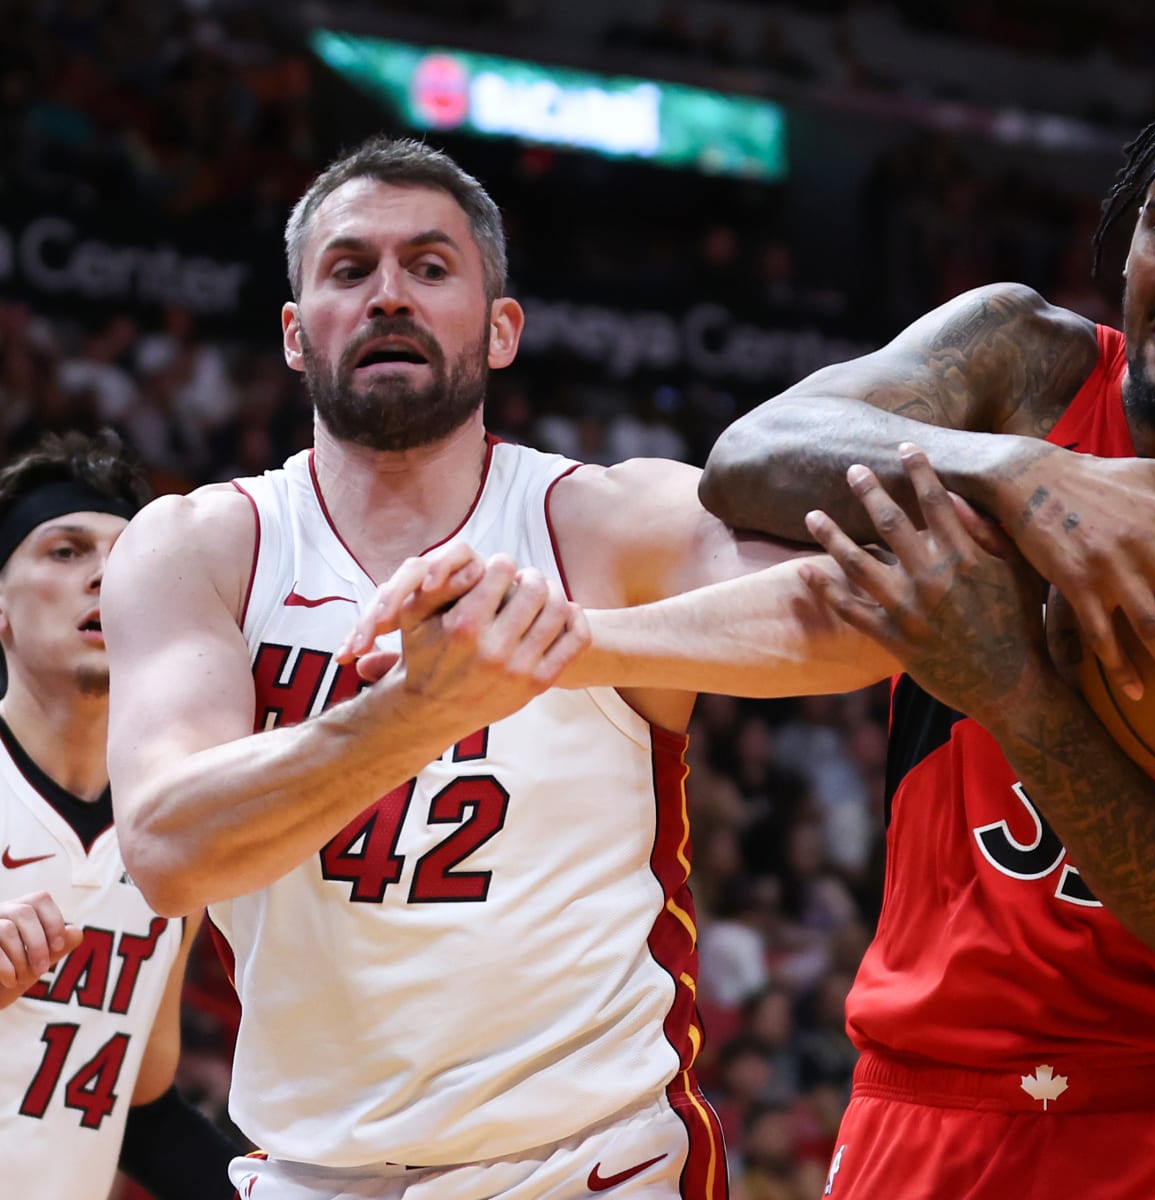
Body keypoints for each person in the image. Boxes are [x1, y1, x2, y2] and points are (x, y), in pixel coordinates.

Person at [698, 86, 1155, 1197]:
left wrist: (1016, 692)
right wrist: (1022, 472)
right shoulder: (1023, 368)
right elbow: (749, 453)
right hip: (928, 1088)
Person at [102, 137, 893, 1200]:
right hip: (314, 1169)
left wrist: (577, 643)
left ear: (502, 327)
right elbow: (163, 847)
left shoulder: (599, 523)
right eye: (349, 270)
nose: (389, 296)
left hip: (594, 1161)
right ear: (295, 336)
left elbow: (865, 614)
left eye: (430, 268)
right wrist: (416, 712)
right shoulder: (202, 547)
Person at [0, 430, 239, 1199]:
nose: (105, 575)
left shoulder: (170, 827)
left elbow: (139, 1108)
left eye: (127, 556)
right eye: (65, 551)